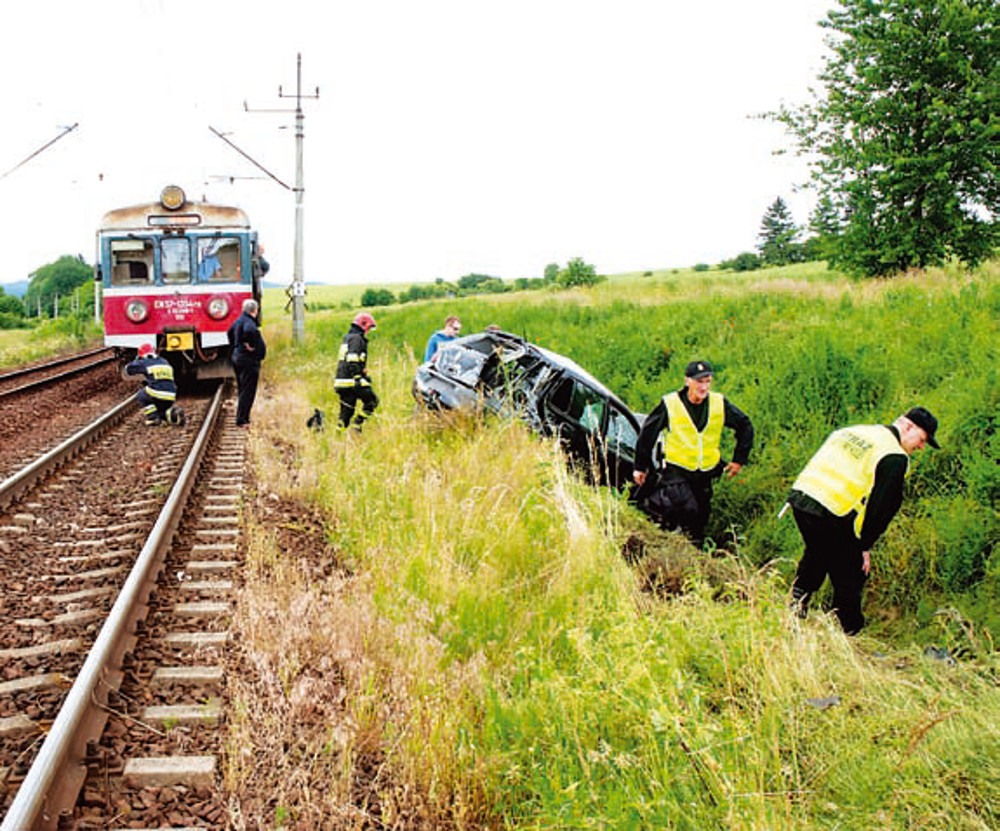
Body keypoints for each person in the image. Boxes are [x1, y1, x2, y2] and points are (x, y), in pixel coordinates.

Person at [786, 407, 940, 635]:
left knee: (818, 551)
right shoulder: (894, 456)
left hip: (801, 497)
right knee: (851, 571)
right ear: (908, 427)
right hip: (834, 510)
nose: (920, 447)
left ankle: (795, 606)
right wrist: (864, 545)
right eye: (922, 440)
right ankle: (848, 633)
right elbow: (882, 508)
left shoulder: (856, 431)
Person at [632, 360, 754, 545]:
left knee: (700, 517)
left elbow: (745, 425)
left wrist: (739, 460)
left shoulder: (718, 402)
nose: (704, 387)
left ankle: (692, 553)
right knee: (688, 508)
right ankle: (656, 526)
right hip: (677, 469)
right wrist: (640, 466)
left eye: (707, 381)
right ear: (687, 381)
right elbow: (648, 433)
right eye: (699, 382)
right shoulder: (670, 403)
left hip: (705, 472)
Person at [335, 312, 379, 429]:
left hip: (342, 381)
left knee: (346, 413)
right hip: (352, 381)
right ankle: (357, 425)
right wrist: (358, 377)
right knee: (372, 401)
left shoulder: (348, 337)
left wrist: (362, 371)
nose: (368, 331)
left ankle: (339, 435)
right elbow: (352, 359)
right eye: (369, 327)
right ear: (363, 324)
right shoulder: (356, 339)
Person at [228, 298, 266, 428]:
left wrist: (237, 346)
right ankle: (242, 420)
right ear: (255, 310)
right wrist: (251, 346)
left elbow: (229, 333)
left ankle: (242, 416)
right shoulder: (249, 322)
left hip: (237, 358)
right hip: (248, 360)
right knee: (248, 391)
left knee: (242, 389)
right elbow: (250, 331)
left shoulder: (238, 321)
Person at [124, 343, 181, 426]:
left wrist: (137, 360)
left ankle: (153, 418)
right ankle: (173, 415)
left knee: (142, 395)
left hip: (157, 393)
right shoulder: (164, 361)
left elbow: (128, 370)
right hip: (171, 395)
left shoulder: (144, 362)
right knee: (161, 411)